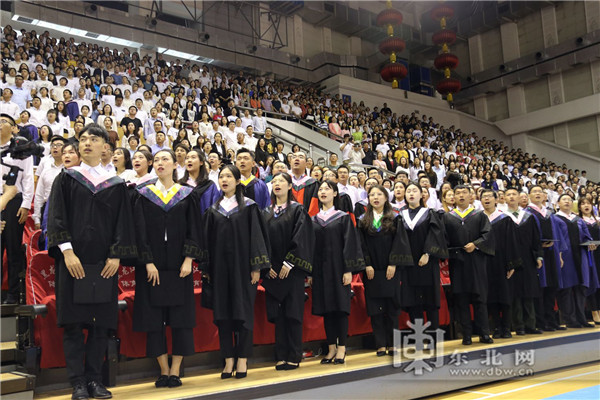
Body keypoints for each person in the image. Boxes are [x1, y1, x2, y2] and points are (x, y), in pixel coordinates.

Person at [47, 124, 135, 400]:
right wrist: (67, 252)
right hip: (72, 261)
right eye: (82, 139)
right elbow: (56, 217)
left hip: (104, 263)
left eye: (93, 139)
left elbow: (123, 222)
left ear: (105, 147)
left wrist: (116, 254)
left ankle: (95, 379)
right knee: (73, 324)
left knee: (100, 325)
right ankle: (77, 383)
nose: (86, 143)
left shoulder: (115, 184)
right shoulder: (66, 178)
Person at [133, 149, 201, 388]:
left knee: (181, 319)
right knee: (153, 319)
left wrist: (189, 259)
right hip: (151, 266)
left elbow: (194, 229)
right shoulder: (143, 195)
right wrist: (147, 261)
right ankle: (163, 369)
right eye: (157, 160)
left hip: (179, 264)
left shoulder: (187, 195)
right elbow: (139, 231)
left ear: (175, 165)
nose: (160, 163)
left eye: (166, 159)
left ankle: (175, 369)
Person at [201, 165, 271, 379]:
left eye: (229, 176)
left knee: (244, 315)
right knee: (223, 315)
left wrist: (256, 267)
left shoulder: (249, 207)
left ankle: (242, 359)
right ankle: (228, 359)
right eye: (221, 176)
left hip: (244, 270)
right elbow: (207, 242)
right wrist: (207, 269)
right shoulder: (213, 210)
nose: (224, 180)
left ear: (238, 181)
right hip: (220, 271)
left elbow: (257, 237)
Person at [263, 173, 314, 370]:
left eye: (281, 181)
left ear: (290, 186)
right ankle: (281, 355)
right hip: (273, 271)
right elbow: (261, 241)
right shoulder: (265, 212)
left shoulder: (297, 209)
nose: (277, 184)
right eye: (274, 181)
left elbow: (302, 237)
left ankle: (293, 355)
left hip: (292, 271)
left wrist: (290, 262)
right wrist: (267, 265)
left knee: (293, 314)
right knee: (279, 315)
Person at [311, 180, 365, 364]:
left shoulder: (342, 218)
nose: (323, 192)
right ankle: (331, 348)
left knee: (340, 309)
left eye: (327, 189)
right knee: (326, 310)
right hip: (320, 271)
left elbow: (350, 244)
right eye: (321, 189)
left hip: (339, 269)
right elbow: (311, 248)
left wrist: (348, 269)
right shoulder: (314, 220)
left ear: (335, 194)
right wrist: (311, 273)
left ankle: (342, 347)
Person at [358, 185, 412, 356]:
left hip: (390, 269)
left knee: (392, 307)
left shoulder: (395, 218)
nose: (375, 197)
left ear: (386, 198)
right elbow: (361, 245)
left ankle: (393, 343)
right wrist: (367, 264)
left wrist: (394, 263)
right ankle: (380, 344)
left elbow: (400, 242)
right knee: (375, 308)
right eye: (372, 195)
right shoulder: (363, 221)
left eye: (379, 194)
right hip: (372, 270)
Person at [443, 185, 494, 345]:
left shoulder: (479, 215)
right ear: (454, 197)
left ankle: (484, 333)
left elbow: (488, 235)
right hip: (457, 262)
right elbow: (444, 239)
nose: (461, 195)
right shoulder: (448, 217)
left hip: (476, 261)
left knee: (480, 299)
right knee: (461, 299)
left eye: (464, 192)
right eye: (457, 193)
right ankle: (466, 335)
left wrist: (476, 245)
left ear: (471, 196)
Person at [400, 182, 448, 342]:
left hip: (427, 263)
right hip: (408, 264)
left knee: (430, 301)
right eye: (408, 191)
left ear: (422, 195)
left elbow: (436, 234)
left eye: (415, 190)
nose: (411, 193)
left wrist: (428, 253)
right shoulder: (400, 216)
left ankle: (434, 337)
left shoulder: (430, 213)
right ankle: (419, 338)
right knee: (413, 302)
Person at [0, 113, 33, 304]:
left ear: (14, 128)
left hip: (14, 202)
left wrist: (26, 204)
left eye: (3, 122)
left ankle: (13, 295)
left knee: (12, 249)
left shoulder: (22, 149)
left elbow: (28, 177)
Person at [480, 189, 521, 339]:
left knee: (505, 296)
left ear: (496, 200)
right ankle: (496, 327)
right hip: (484, 262)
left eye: (489, 196)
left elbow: (512, 243)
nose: (487, 199)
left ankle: (506, 327)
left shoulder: (505, 219)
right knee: (490, 297)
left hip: (502, 262)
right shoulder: (478, 219)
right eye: (484, 197)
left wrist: (511, 264)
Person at [552, 194, 597, 328]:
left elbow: (586, 236)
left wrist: (590, 243)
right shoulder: (555, 219)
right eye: (564, 199)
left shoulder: (578, 219)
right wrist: (559, 255)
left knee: (580, 288)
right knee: (566, 288)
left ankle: (581, 318)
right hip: (565, 256)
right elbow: (556, 238)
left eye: (569, 200)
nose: (567, 202)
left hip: (581, 256)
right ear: (558, 203)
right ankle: (570, 320)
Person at [505, 188, 544, 335]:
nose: (511, 197)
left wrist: (538, 256)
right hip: (511, 260)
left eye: (514, 194)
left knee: (529, 291)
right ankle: (518, 325)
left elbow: (535, 238)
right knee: (515, 293)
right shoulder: (502, 217)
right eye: (508, 194)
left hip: (528, 258)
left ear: (520, 197)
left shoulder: (528, 217)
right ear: (504, 198)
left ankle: (530, 325)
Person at [526, 186, 564, 331]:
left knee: (552, 287)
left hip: (552, 253)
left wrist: (559, 255)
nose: (537, 194)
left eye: (540, 192)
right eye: (534, 192)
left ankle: (552, 321)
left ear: (544, 196)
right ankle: (540, 323)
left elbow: (558, 234)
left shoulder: (549, 213)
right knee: (540, 288)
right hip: (537, 254)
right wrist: (537, 246)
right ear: (529, 195)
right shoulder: (527, 213)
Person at [578, 197, 600, 325]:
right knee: (592, 282)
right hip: (588, 254)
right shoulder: (579, 221)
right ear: (579, 207)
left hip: (599, 253)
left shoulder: (597, 221)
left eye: (588, 203)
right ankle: (594, 311)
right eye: (583, 204)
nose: (586, 206)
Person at [179, 149, 220, 213]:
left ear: (201, 162)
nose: (189, 160)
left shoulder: (210, 186)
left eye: (193, 157)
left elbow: (216, 210)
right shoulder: (180, 185)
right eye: (187, 158)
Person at [289, 151, 320, 217]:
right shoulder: (284, 182)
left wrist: (306, 220)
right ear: (290, 162)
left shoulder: (313, 183)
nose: (297, 159)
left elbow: (314, 206)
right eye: (294, 157)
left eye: (301, 157)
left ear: (306, 164)